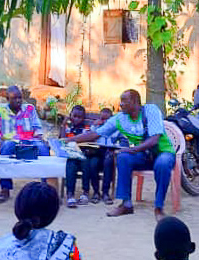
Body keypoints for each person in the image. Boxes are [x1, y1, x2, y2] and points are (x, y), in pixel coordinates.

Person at [72, 89, 177, 219]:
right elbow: (95, 134)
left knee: (163, 163)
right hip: (143, 155)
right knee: (123, 157)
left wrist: (132, 149)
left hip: (163, 152)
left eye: (124, 101)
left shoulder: (151, 110)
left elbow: (154, 139)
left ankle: (159, 208)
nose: (120, 104)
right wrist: (69, 140)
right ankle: (126, 204)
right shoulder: (120, 119)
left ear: (134, 101)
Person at [0, 85, 50, 203]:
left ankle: (45, 187)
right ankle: (5, 188)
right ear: (7, 99)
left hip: (30, 140)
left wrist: (40, 138)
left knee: (43, 149)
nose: (18, 101)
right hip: (10, 141)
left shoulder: (29, 108)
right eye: (14, 98)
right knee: (6, 147)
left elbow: (37, 127)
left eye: (20, 98)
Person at [60, 105, 104, 207]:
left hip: (84, 154)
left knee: (86, 162)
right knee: (71, 164)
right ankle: (70, 194)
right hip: (72, 155)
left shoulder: (86, 128)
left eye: (80, 117)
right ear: (70, 116)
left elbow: (90, 140)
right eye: (74, 116)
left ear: (83, 118)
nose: (77, 119)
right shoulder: (67, 127)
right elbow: (62, 140)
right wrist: (63, 124)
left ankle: (85, 192)